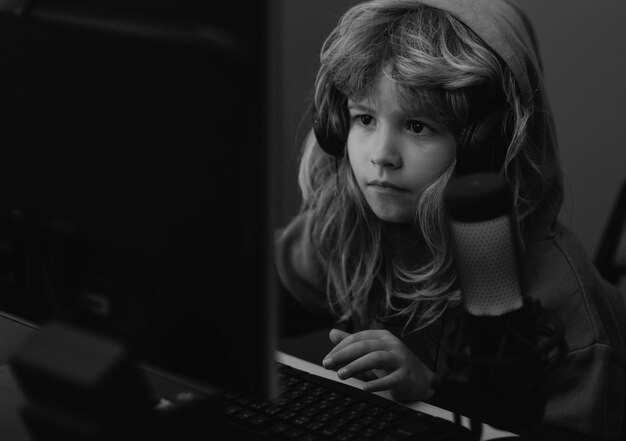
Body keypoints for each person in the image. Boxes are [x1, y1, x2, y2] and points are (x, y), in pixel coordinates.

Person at [275, 0, 626, 439]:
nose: (381, 156)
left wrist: (433, 391)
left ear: (486, 147)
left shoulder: (562, 302)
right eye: (364, 118)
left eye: (418, 126)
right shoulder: (351, 225)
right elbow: (259, 290)